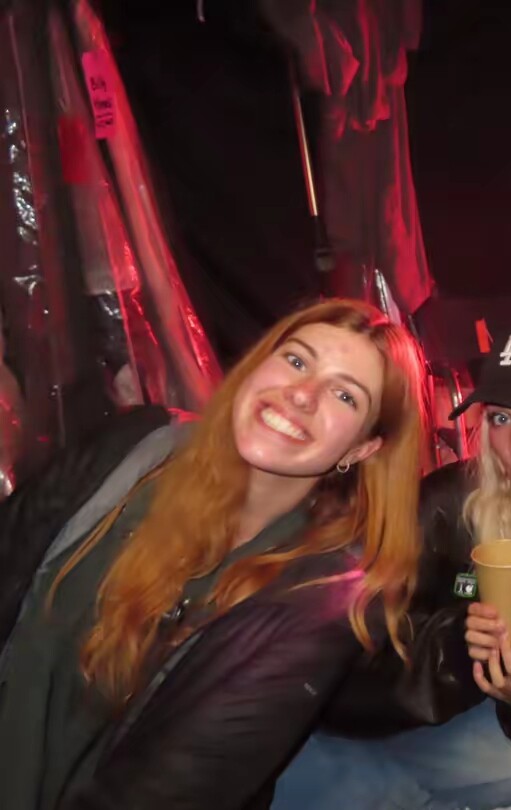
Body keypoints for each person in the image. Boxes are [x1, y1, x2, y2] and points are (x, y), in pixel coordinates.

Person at [0, 299, 428, 810]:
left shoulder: (317, 603)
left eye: (344, 395)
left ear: (361, 450)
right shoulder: (135, 446)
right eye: (296, 360)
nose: (302, 394)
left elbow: (167, 789)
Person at [274, 308, 511, 810]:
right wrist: (454, 647)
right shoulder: (446, 503)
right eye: (501, 418)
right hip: (376, 731)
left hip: (470, 740)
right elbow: (345, 667)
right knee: (327, 772)